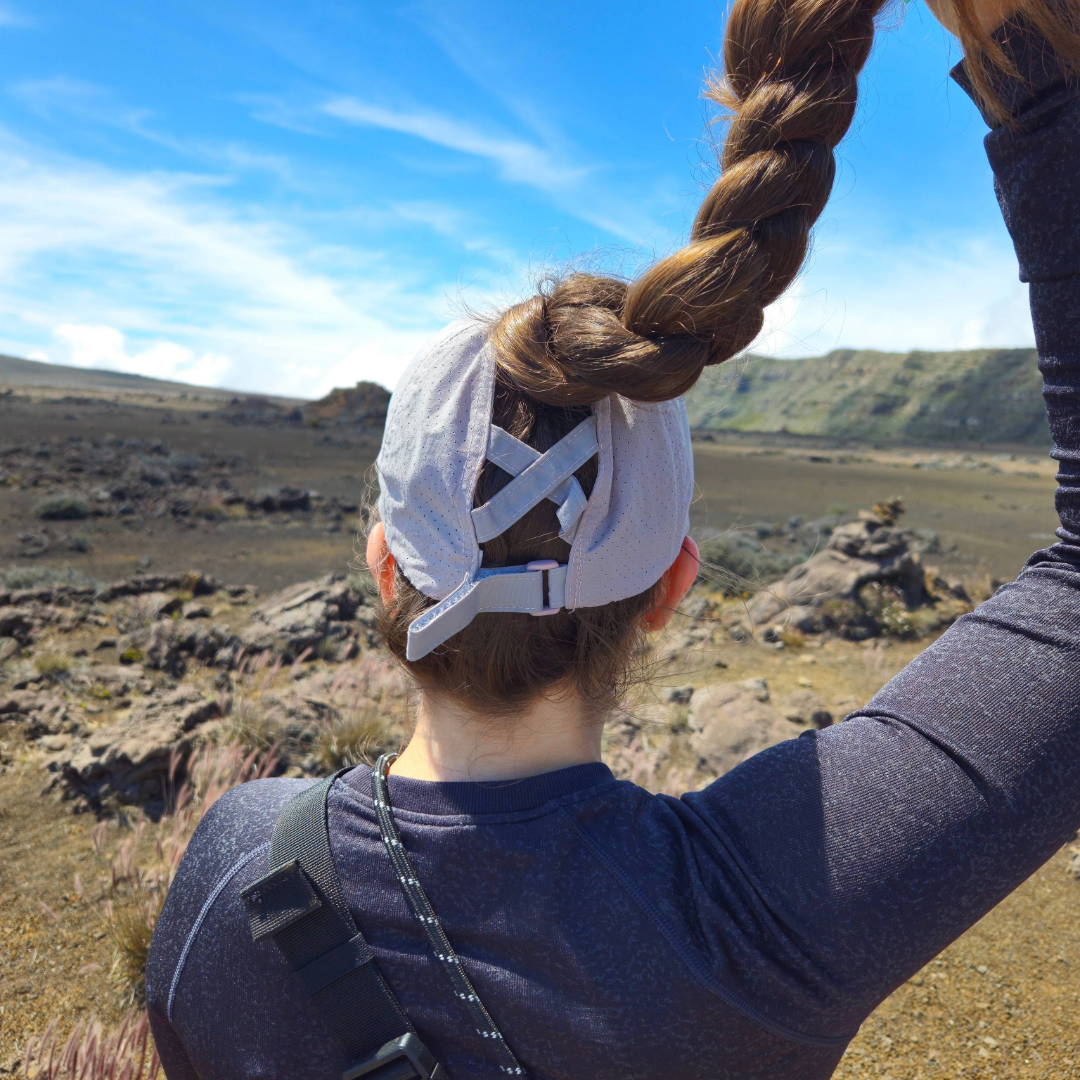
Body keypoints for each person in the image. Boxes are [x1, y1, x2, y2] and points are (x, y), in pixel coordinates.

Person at [145, 0, 1080, 1073]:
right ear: (671, 588)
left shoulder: (238, 865)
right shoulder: (761, 919)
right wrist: (1027, 49)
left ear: (383, 567)